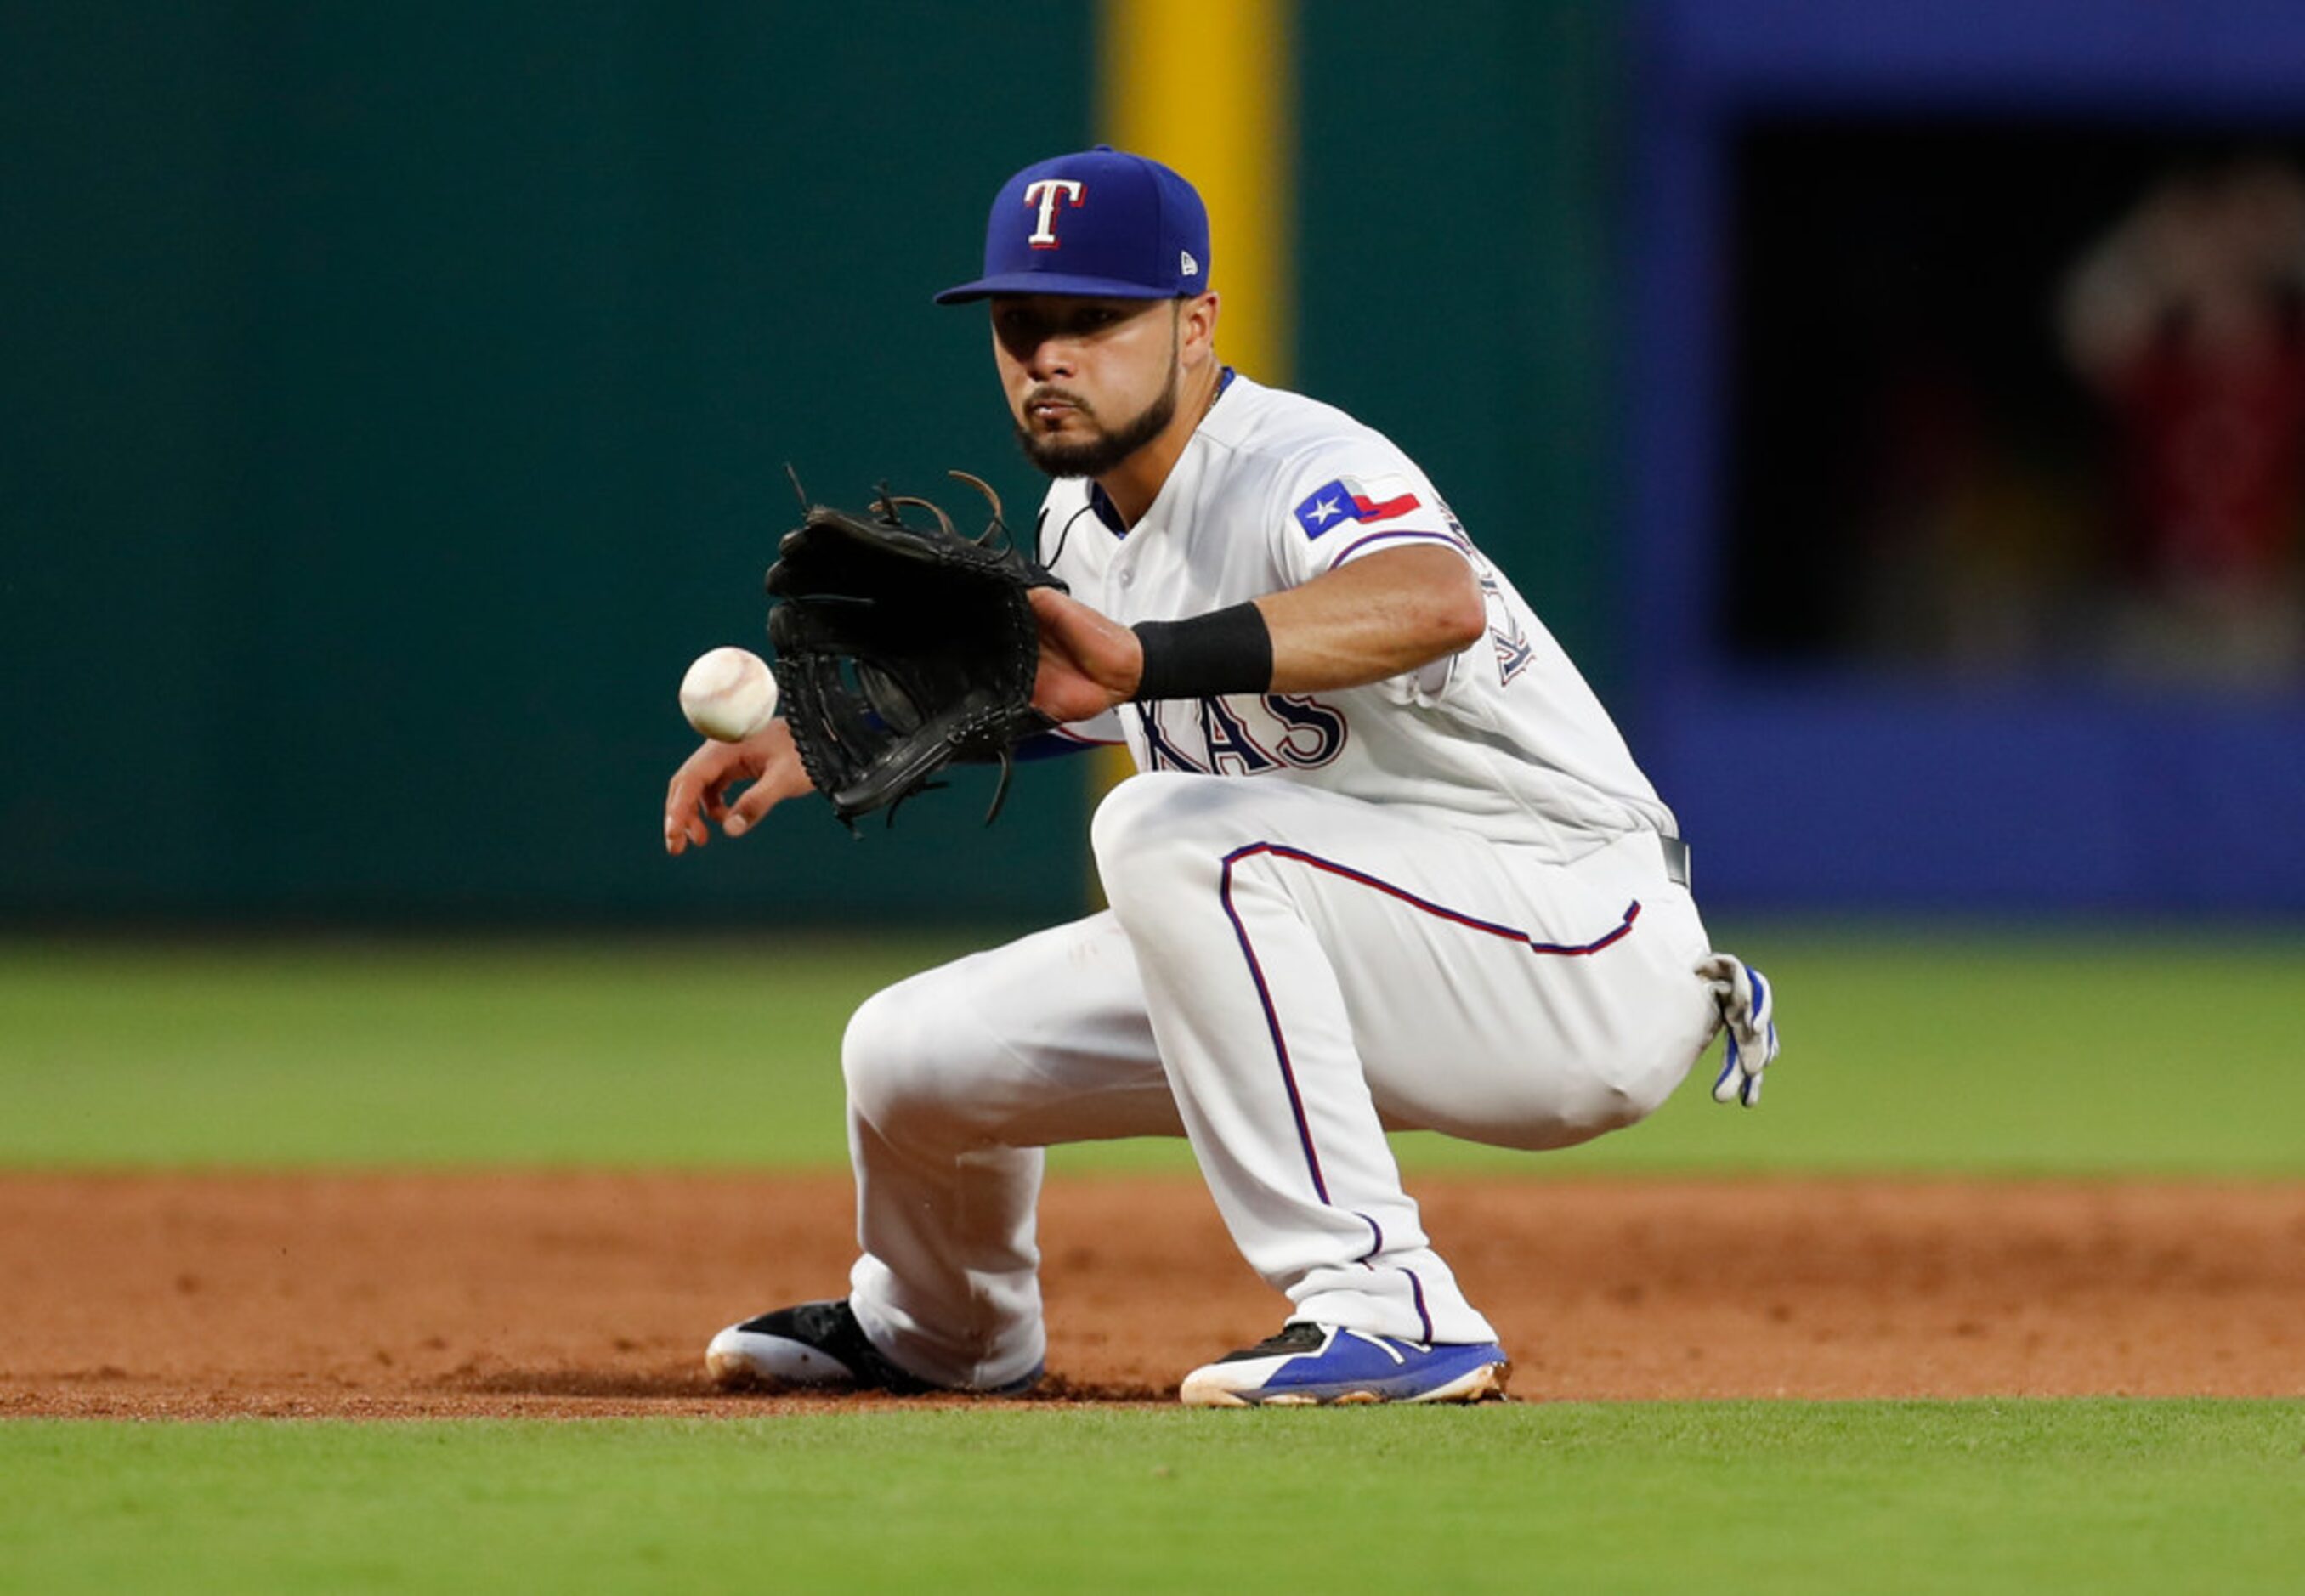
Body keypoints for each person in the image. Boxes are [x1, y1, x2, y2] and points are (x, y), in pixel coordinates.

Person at [663, 146, 1774, 1406]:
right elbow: (1089, 692)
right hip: (1344, 937)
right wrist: (835, 735)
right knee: (911, 1055)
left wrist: (1143, 660)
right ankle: (944, 1326)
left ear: (1197, 325)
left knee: (1169, 829)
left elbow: (1432, 599)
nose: (1050, 355)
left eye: (1096, 318)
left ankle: (1393, 1309)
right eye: (1023, 323)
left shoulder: (1295, 460)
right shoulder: (1081, 517)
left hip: (1575, 947)